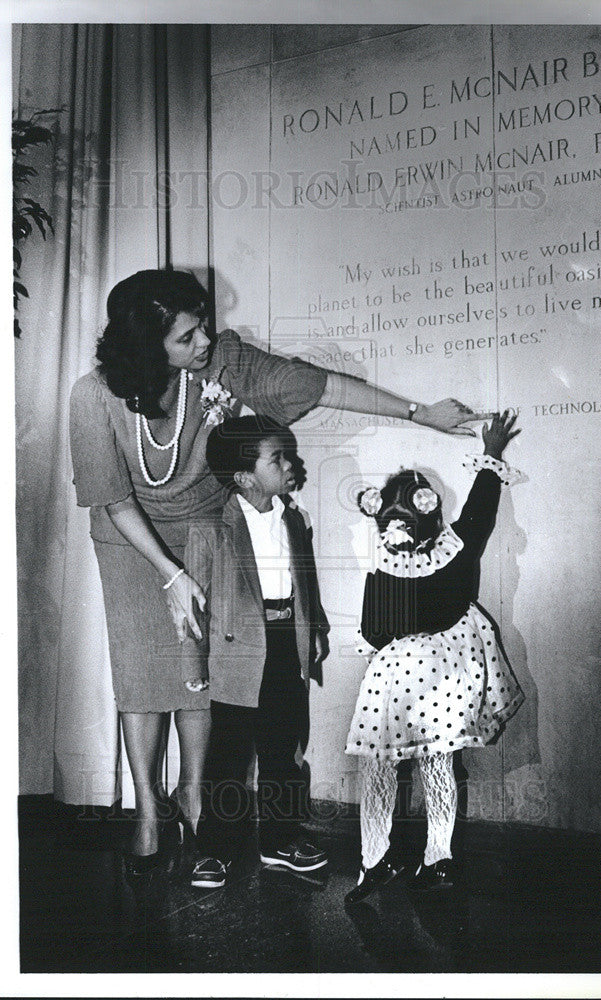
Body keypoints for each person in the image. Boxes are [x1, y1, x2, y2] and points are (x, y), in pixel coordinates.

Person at [68, 267, 486, 873]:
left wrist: (421, 414)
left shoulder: (222, 363)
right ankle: (149, 815)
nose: (205, 342)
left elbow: (314, 387)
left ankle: (194, 797)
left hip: (211, 533)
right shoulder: (92, 394)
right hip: (129, 540)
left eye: (203, 327)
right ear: (144, 347)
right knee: (141, 674)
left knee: (211, 679)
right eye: (187, 338)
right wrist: (168, 572)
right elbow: (112, 496)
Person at [343, 411, 525, 903]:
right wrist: (491, 456)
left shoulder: (386, 563)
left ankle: (375, 860)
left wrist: (390, 636)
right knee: (436, 763)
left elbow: (374, 629)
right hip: (444, 670)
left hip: (400, 675)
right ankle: (435, 858)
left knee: (381, 767)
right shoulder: (455, 546)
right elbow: (481, 508)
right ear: (432, 513)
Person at [179, 415, 329, 889]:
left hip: (287, 644)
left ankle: (280, 841)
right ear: (245, 476)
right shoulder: (210, 528)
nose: (289, 464)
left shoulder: (294, 519)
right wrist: (193, 661)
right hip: (238, 652)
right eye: (277, 457)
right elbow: (190, 603)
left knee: (283, 748)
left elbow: (305, 581)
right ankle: (215, 849)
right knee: (229, 753)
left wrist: (315, 629)